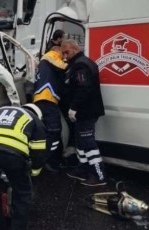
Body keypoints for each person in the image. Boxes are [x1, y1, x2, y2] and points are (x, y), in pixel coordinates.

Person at [0, 104, 46, 230]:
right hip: (11, 154)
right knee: (22, 192)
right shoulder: (35, 120)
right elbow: (38, 152)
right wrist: (33, 172)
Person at [61, 39, 106, 186]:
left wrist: (74, 107)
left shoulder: (81, 65)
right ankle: (83, 169)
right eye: (63, 53)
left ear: (75, 49)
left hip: (86, 111)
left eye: (66, 52)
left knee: (87, 142)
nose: (65, 56)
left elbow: (83, 88)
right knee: (80, 141)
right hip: (83, 112)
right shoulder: (79, 63)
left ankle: (99, 175)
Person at [33, 46, 67, 172]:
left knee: (50, 131)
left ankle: (51, 159)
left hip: (43, 99)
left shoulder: (45, 63)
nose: (64, 57)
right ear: (58, 51)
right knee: (53, 131)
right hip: (47, 98)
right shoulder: (51, 55)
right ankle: (48, 161)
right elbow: (63, 67)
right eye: (63, 54)